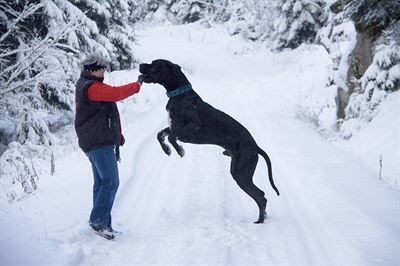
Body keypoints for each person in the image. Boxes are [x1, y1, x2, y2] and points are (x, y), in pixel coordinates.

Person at [74, 53, 143, 240]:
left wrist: (117, 136)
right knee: (111, 181)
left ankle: (102, 223)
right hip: (97, 143)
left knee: (101, 182)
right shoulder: (92, 87)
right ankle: (98, 222)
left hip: (94, 141)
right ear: (92, 70)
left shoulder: (85, 84)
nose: (104, 70)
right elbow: (115, 94)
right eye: (101, 68)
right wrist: (137, 85)